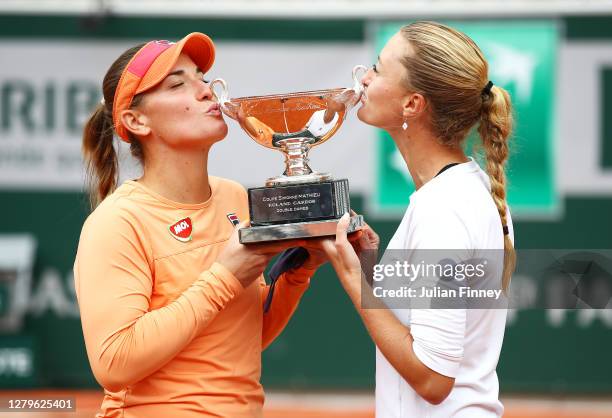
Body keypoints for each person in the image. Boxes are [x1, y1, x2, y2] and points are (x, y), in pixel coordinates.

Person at [74, 33, 325, 418]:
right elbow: (114, 363)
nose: (207, 91)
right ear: (136, 120)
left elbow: (238, 338)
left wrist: (298, 274)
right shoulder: (116, 222)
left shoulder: (234, 198)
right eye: (178, 84)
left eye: (202, 78)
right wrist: (224, 277)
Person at [316, 21, 516, 417]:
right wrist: (370, 268)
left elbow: (432, 378)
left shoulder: (443, 208)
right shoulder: (466, 190)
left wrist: (353, 279)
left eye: (378, 69)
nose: (365, 79)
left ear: (412, 104)